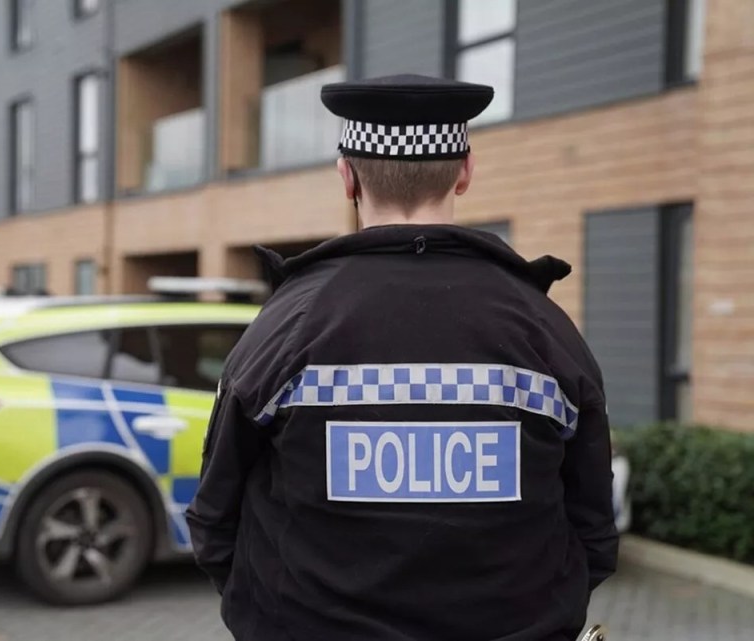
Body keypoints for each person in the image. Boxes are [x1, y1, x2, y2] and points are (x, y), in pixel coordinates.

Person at [186, 74, 618, 641]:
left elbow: (215, 520)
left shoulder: (285, 327)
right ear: (464, 172)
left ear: (347, 177)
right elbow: (594, 532)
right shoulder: (545, 329)